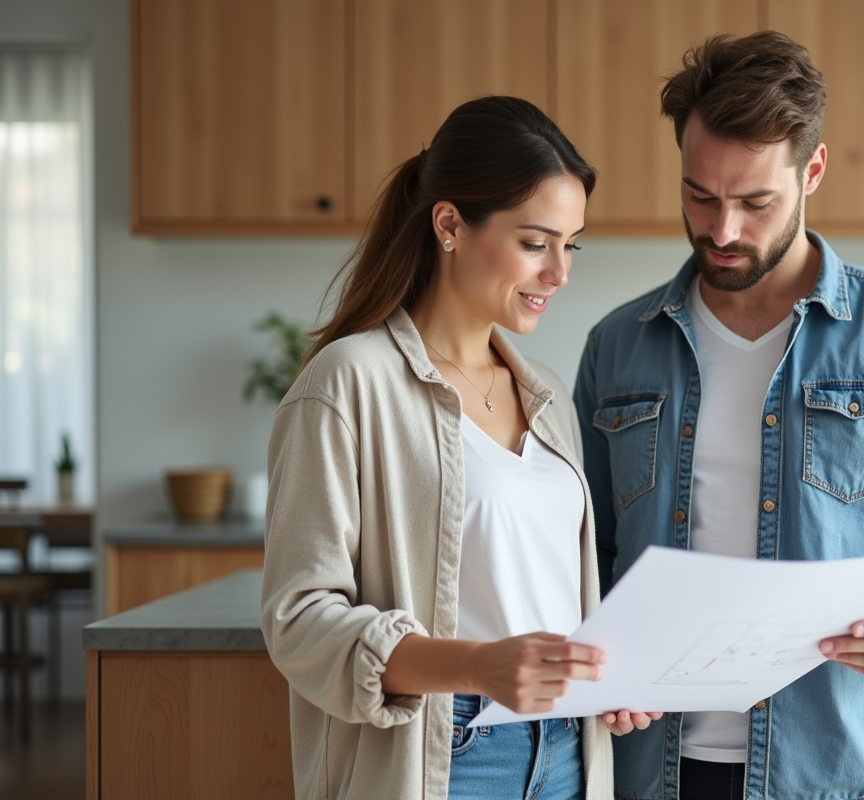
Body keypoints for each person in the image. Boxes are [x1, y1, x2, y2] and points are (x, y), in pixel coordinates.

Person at [573, 32, 864, 800]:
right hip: (657, 769)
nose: (722, 230)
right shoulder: (617, 346)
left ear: (812, 171)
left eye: (755, 202)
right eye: (699, 195)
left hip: (837, 769)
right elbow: (582, 555)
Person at [260, 95, 642, 800]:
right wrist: (478, 667)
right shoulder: (348, 384)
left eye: (572, 244)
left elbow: (541, 592)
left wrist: (600, 674)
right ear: (449, 226)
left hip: (569, 754)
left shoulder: (550, 397)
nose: (560, 272)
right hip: (450, 757)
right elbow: (298, 620)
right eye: (535, 243)